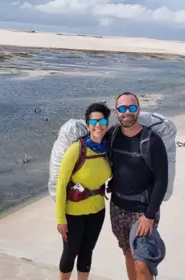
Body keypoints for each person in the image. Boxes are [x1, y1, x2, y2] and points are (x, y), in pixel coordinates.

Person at [105, 92, 168, 280]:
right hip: (117, 207)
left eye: (132, 108)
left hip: (143, 212)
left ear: (138, 110)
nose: (127, 113)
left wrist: (149, 215)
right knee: (128, 254)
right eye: (122, 109)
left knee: (142, 263)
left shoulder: (152, 140)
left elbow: (161, 180)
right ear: (116, 112)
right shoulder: (113, 135)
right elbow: (92, 143)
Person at [55, 102, 113, 280]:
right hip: (73, 214)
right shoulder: (76, 150)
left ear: (107, 125)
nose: (98, 125)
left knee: (87, 252)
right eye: (94, 121)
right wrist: (60, 219)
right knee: (70, 253)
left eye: (102, 122)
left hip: (97, 212)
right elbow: (61, 184)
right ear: (88, 124)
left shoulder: (108, 150)